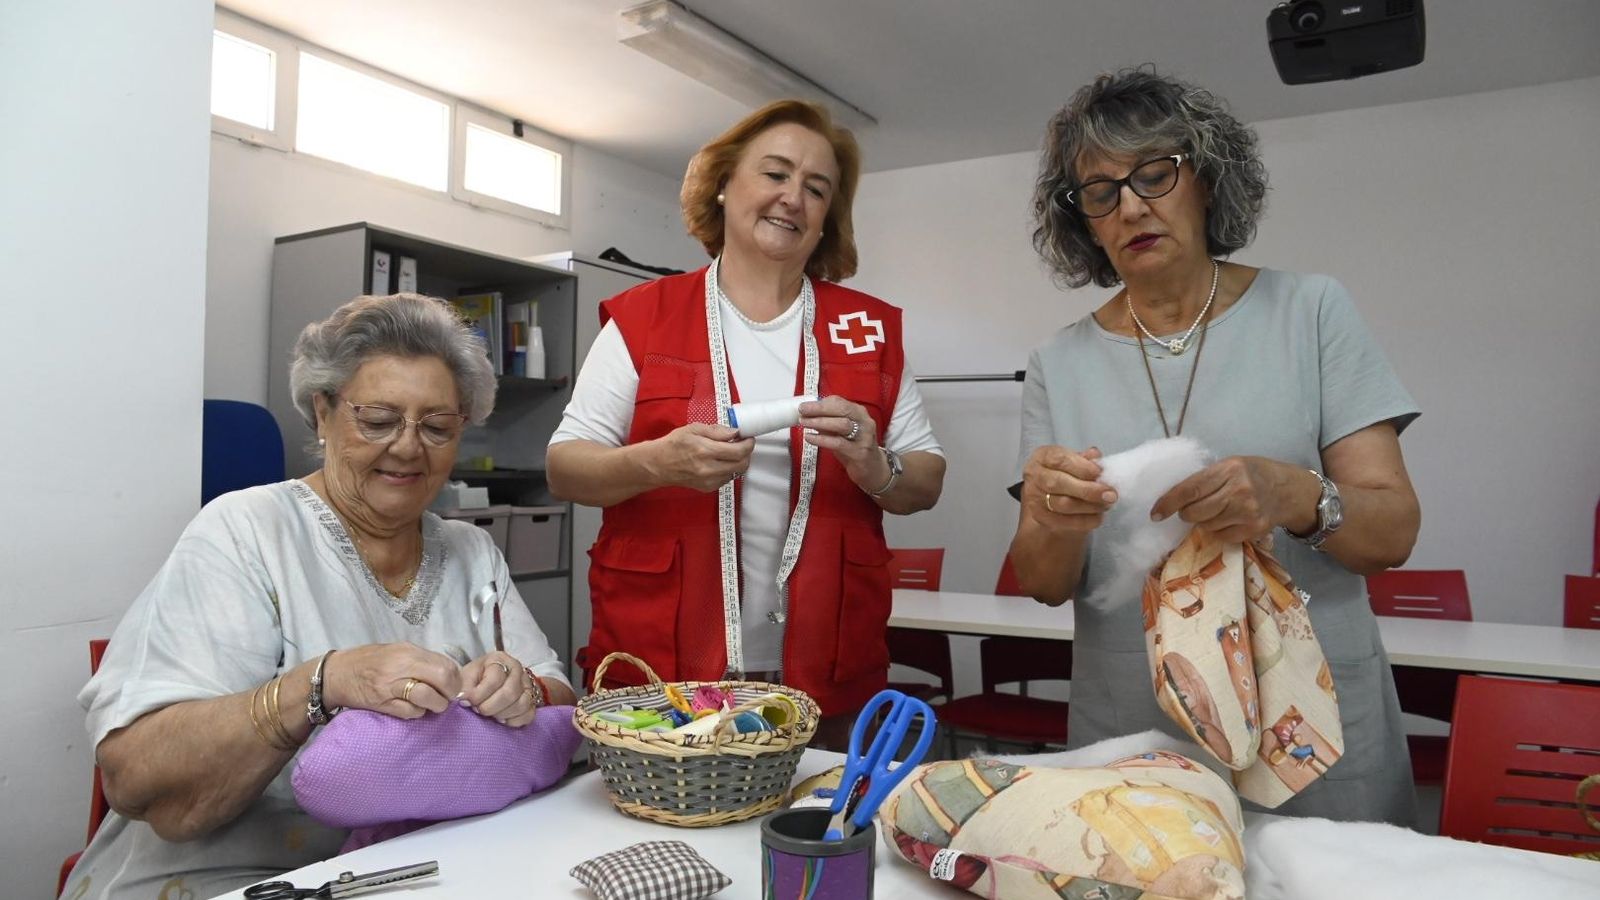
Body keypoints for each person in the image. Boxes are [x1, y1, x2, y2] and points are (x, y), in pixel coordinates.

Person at [1009, 68, 1422, 826]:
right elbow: (1042, 582)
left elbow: (1392, 532)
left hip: (1309, 724)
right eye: (1100, 191)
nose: (1131, 205)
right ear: (1085, 223)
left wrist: (1296, 495)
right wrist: (1051, 519)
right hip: (1136, 727)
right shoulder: (1056, 364)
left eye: (1155, 174)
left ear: (1205, 179)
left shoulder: (1310, 312)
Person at [68, 294, 576, 900]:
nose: (409, 447)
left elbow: (560, 699)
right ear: (323, 412)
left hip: (414, 867)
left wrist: (523, 688)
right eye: (379, 420)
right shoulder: (246, 531)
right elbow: (135, 774)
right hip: (233, 878)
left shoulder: (471, 549)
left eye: (437, 426)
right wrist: (319, 684)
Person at [547, 100, 945, 718]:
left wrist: (876, 466)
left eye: (817, 188)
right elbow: (565, 468)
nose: (794, 198)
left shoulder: (866, 330)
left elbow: (926, 479)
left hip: (828, 670)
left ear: (827, 218)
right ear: (724, 185)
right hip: (665, 669)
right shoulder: (644, 318)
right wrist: (656, 463)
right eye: (776, 173)